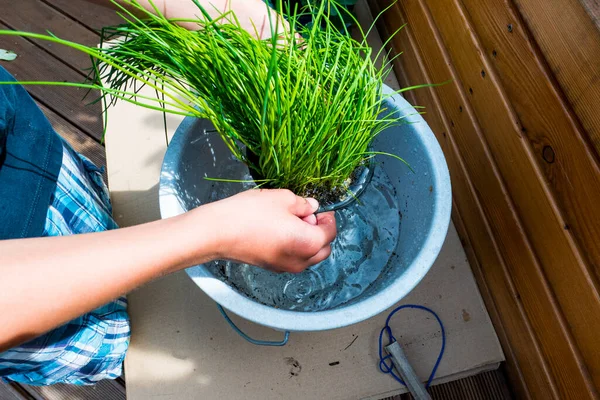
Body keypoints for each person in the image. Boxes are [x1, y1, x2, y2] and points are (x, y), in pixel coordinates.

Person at [0, 0, 336, 386]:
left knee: (104, 227)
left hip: (40, 172)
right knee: (136, 344)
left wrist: (263, 31)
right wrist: (216, 233)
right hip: (36, 316)